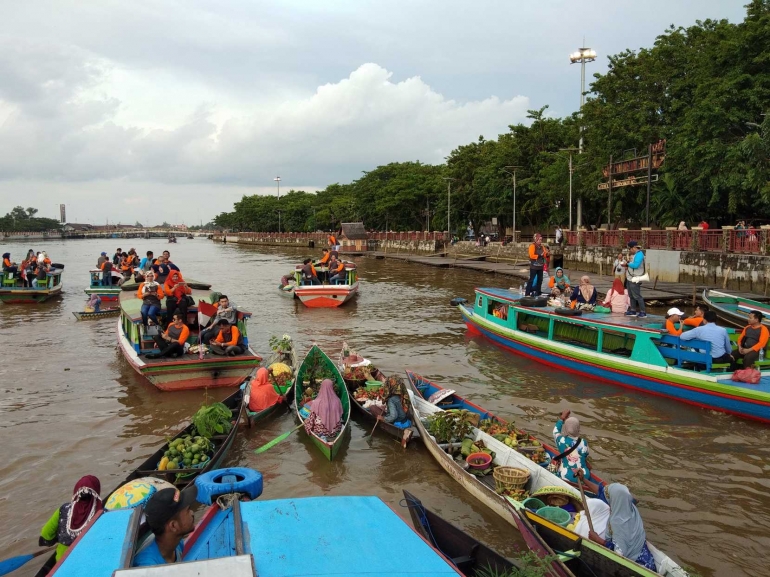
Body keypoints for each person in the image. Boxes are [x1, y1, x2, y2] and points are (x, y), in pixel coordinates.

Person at [39, 476, 102, 563]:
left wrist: (61, 537)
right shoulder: (101, 513)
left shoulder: (64, 509)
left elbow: (45, 533)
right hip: (89, 561)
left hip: (62, 562)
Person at [133, 486, 196, 567]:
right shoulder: (148, 567)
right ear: (173, 526)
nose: (192, 513)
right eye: (188, 510)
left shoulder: (177, 543)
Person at [552, 409, 592, 483]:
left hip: (567, 476)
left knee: (554, 461)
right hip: (585, 476)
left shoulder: (561, 441)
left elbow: (555, 431)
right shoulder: (584, 442)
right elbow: (584, 456)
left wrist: (562, 418)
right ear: (579, 429)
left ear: (566, 429)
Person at [624, 242, 646, 318]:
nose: (629, 250)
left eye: (630, 249)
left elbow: (636, 265)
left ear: (634, 247)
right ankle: (633, 310)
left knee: (637, 296)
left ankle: (643, 312)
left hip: (636, 278)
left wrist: (627, 263)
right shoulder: (636, 255)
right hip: (630, 277)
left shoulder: (640, 254)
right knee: (631, 295)